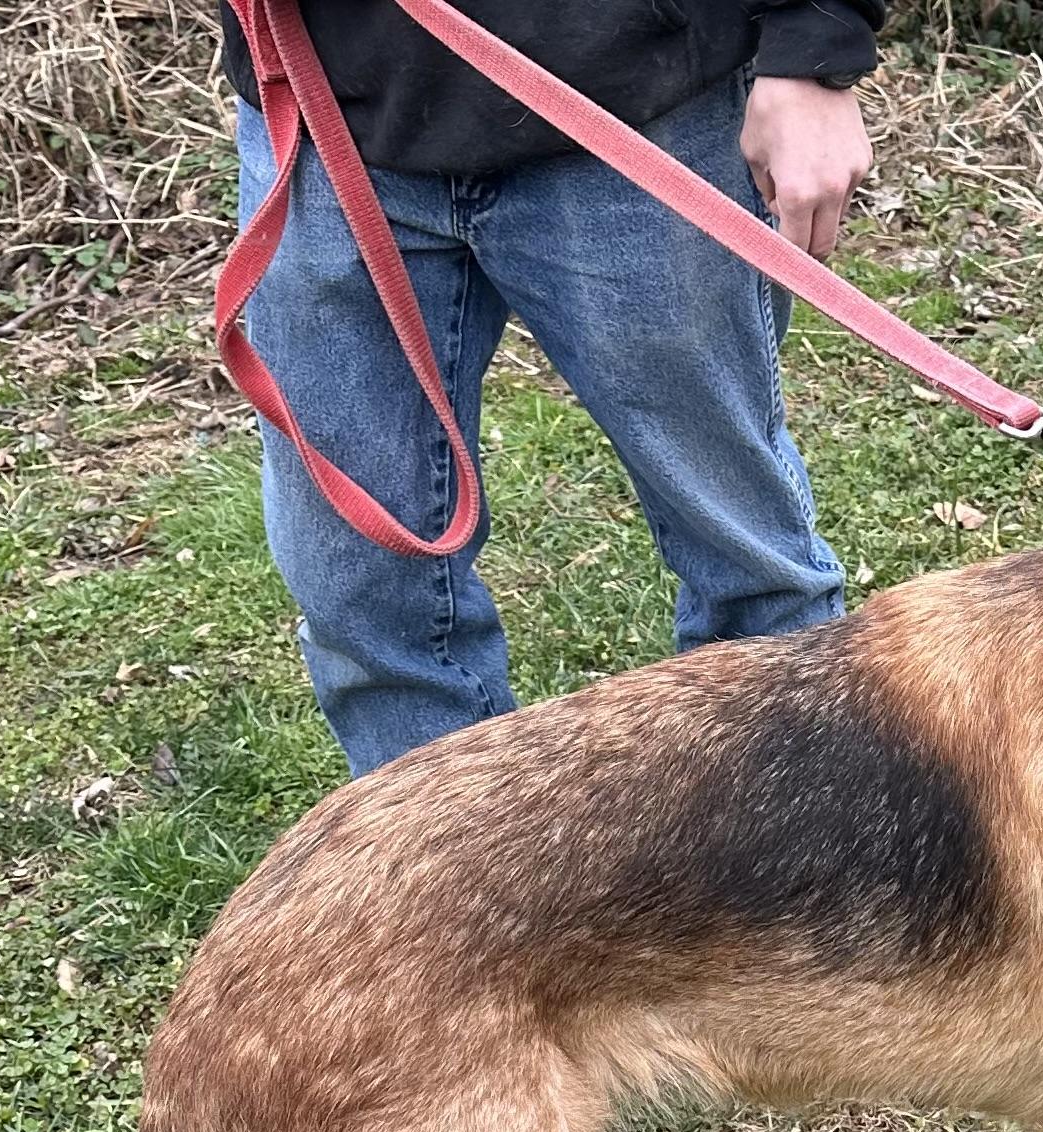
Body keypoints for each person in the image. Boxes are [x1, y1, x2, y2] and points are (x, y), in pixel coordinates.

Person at [218, 1, 884, 776]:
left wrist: (814, 40)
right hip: (324, 103)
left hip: (636, 97)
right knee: (363, 601)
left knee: (746, 562)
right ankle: (452, 880)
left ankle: (793, 862)